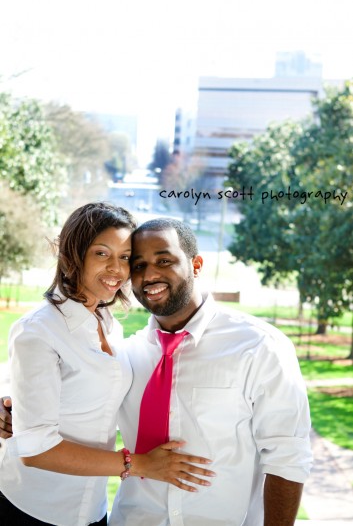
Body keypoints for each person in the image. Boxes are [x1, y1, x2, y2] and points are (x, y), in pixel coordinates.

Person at [0, 217, 312, 526]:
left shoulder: (259, 346)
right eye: (137, 264)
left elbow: (288, 456)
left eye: (164, 260)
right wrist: (15, 410)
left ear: (196, 264)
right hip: (130, 519)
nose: (149, 275)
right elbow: (79, 401)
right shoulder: (129, 351)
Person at [0, 206, 214, 526]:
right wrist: (141, 465)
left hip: (91, 509)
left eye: (125, 257)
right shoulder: (39, 330)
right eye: (102, 253)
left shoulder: (108, 324)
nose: (116, 269)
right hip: (32, 507)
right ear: (74, 254)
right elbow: (36, 450)